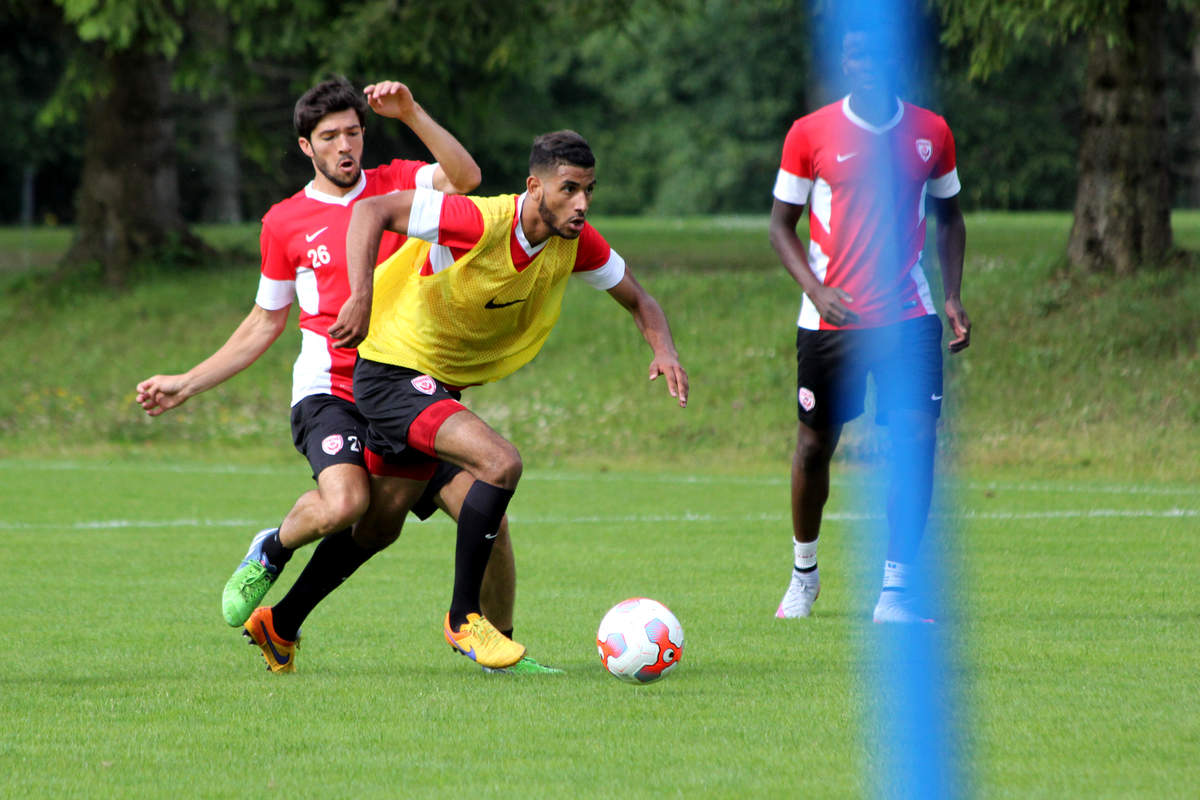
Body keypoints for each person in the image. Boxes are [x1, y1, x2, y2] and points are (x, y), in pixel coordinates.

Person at [135, 77, 555, 674]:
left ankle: (502, 651)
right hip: (330, 392)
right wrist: (187, 381)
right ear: (306, 146)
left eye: (353, 133)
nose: (344, 146)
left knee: (485, 515)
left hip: (405, 389)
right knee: (347, 504)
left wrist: (410, 113)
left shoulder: (397, 184)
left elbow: (465, 178)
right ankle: (273, 546)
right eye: (329, 136)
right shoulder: (284, 222)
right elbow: (264, 321)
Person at [290, 128, 688, 670]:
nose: (582, 204)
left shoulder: (576, 241)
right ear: (534, 187)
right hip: (390, 370)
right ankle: (464, 619)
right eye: (569, 189)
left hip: (434, 381)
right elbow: (372, 210)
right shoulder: (478, 221)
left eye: (589, 190)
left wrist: (664, 350)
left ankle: (280, 623)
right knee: (500, 463)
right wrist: (361, 295)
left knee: (380, 525)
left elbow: (639, 299)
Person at [767, 21, 970, 623]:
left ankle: (897, 590)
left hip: (909, 316)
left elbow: (952, 217)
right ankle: (804, 575)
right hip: (831, 322)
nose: (866, 63)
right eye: (854, 54)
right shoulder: (809, 132)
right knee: (814, 447)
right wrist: (816, 290)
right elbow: (780, 225)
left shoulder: (931, 131)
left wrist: (954, 296)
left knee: (915, 442)